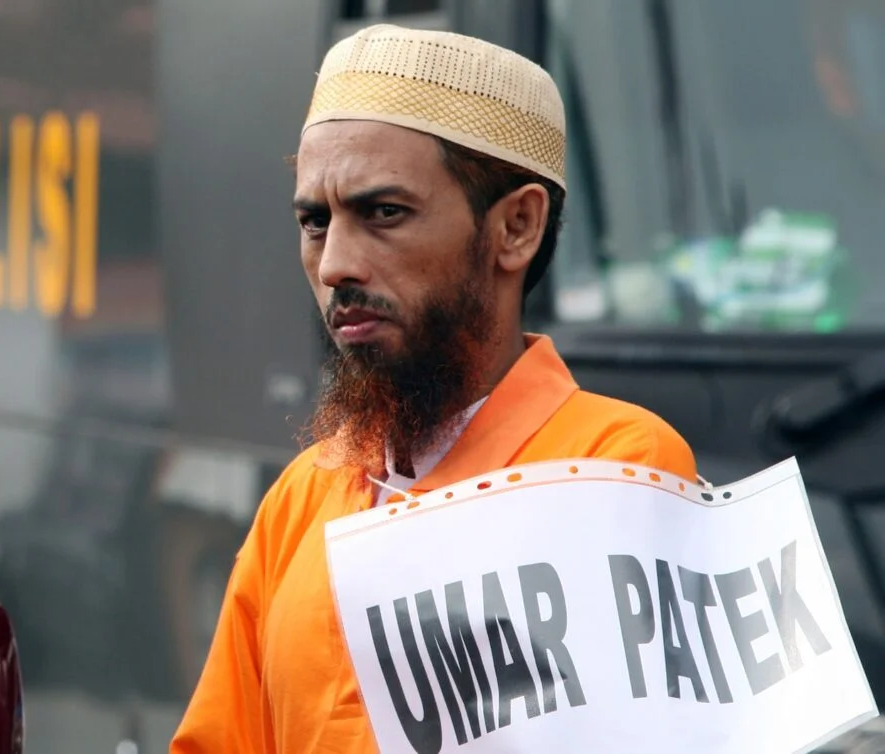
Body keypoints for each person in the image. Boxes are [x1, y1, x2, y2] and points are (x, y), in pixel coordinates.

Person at [171, 23, 697, 754]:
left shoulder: (617, 468)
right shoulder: (301, 497)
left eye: (383, 213)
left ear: (516, 227)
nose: (335, 265)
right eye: (315, 222)